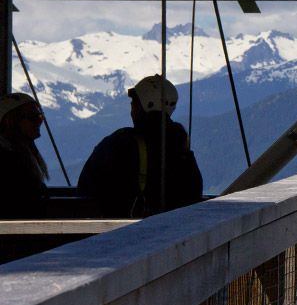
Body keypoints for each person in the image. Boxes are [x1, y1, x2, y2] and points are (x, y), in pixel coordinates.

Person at [77, 75, 203, 218]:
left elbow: (85, 192)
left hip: (122, 234)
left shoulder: (116, 146)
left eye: (133, 103)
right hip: (178, 234)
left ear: (139, 107)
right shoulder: (184, 154)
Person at [0, 93, 49, 218]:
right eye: (33, 117)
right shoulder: (8, 162)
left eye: (40, 115)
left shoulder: (21, 153)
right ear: (10, 121)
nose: (39, 121)